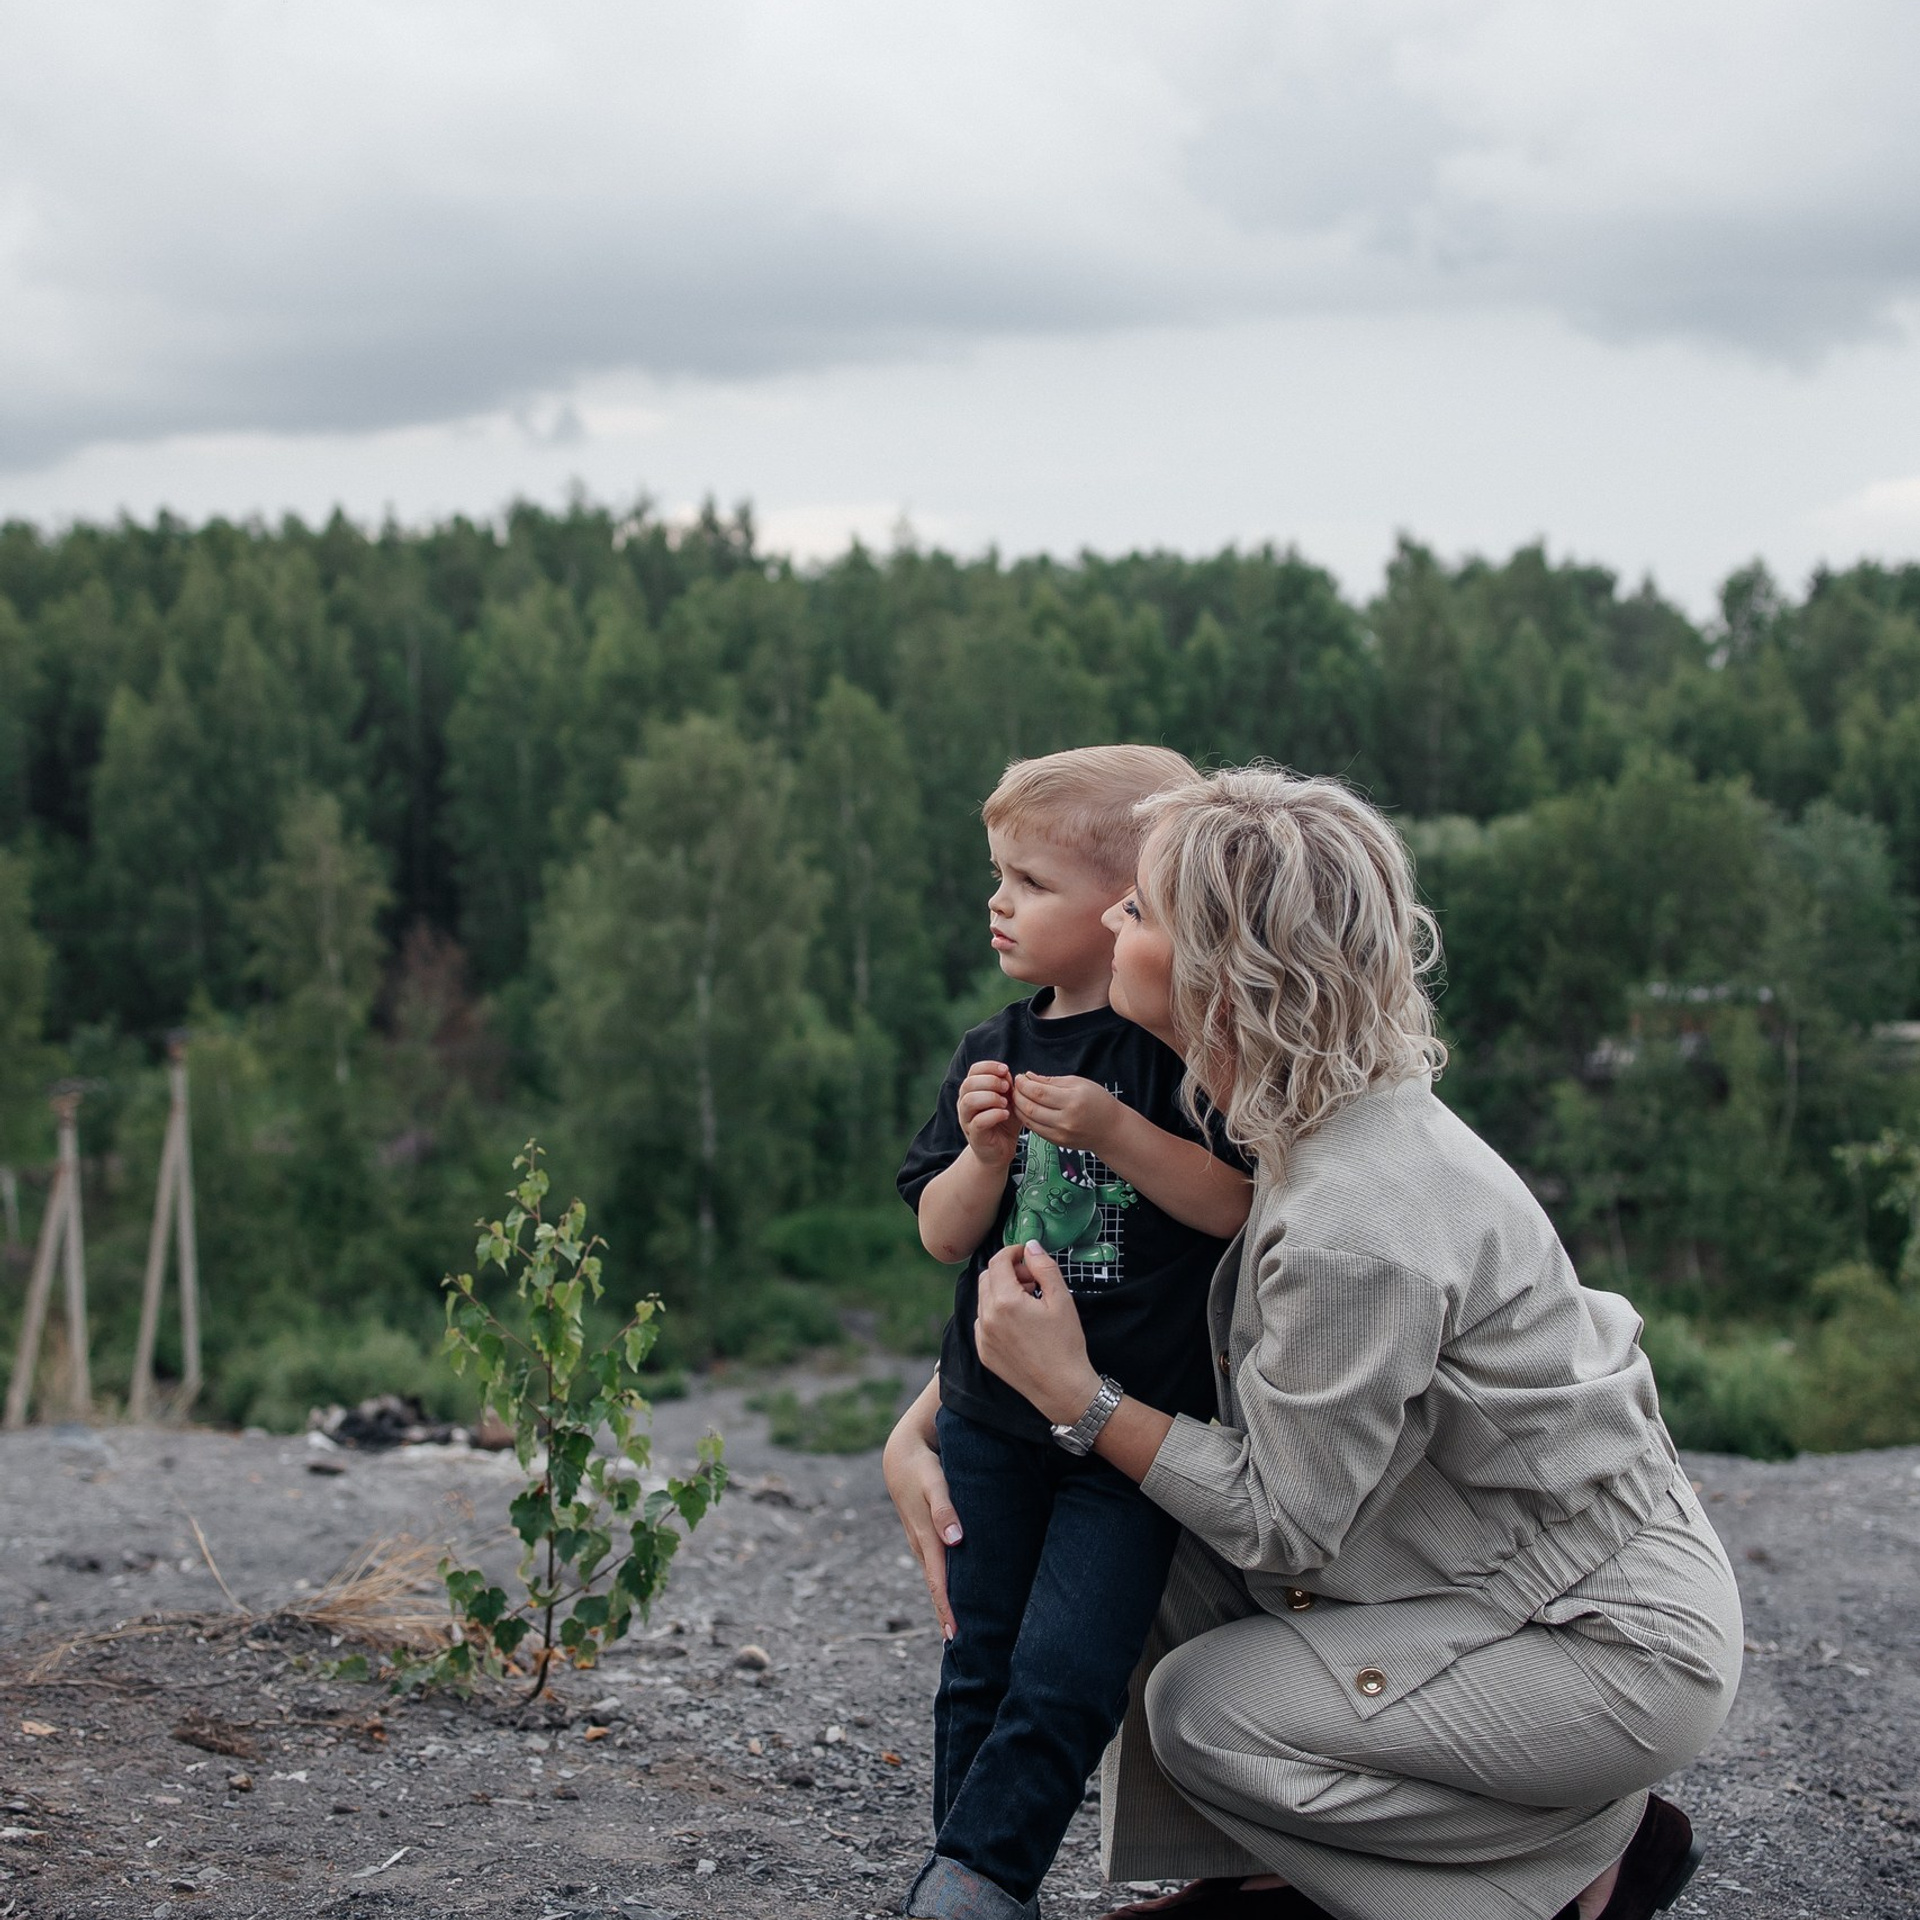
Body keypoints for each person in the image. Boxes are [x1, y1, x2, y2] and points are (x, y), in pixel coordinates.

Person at [886, 767, 1744, 1920]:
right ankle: (1272, 1872)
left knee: (1205, 1707)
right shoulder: (1282, 1111)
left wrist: (1080, 1401)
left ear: (1217, 981)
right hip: (1478, 1573)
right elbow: (1143, 1303)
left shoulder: (1349, 1217)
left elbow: (1282, 1521)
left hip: (1594, 1640)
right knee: (1143, 1536)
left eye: (1136, 910)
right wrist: (931, 1418)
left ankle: (1562, 1867)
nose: (1110, 923)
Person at [892, 745, 1256, 1920]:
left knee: (1072, 1670)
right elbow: (943, 1236)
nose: (998, 904)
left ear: (1126, 908)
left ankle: (977, 1875)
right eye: (996, 875)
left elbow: (1234, 1206)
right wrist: (986, 1155)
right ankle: (977, 1878)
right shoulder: (991, 1050)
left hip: (1122, 1438)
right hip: (996, 1421)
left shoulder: (1175, 1059)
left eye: (1029, 882)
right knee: (980, 1657)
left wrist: (1114, 1129)